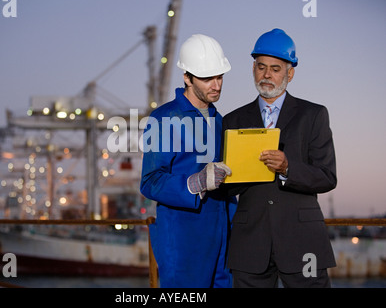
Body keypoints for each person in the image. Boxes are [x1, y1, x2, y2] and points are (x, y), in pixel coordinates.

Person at [222, 28, 337, 288]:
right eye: (261, 67)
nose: (267, 75)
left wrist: (287, 168)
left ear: (290, 73)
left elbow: (327, 177)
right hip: (250, 244)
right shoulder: (233, 121)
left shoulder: (314, 115)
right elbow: (225, 189)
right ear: (253, 69)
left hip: (303, 242)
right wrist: (222, 175)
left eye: (275, 68)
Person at [140, 34, 236, 288]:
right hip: (183, 240)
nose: (216, 85)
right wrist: (195, 183)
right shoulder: (162, 118)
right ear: (187, 77)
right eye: (207, 78)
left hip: (222, 236)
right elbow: (150, 181)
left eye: (220, 76)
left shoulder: (221, 122)